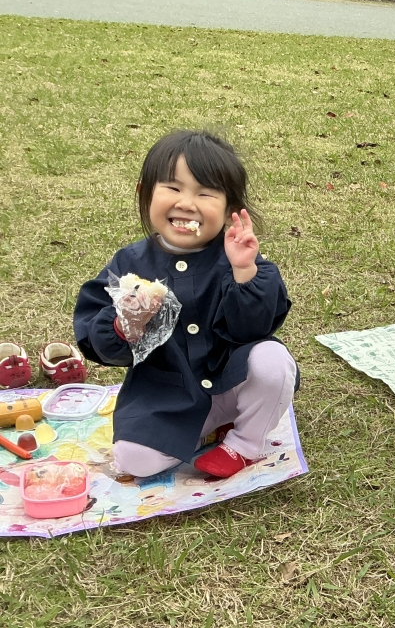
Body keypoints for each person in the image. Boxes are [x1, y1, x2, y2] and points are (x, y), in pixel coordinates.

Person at [74, 130, 298, 479]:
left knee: (273, 361)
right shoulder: (128, 265)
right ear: (145, 193)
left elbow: (254, 329)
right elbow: (98, 343)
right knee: (133, 460)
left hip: (229, 381)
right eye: (173, 188)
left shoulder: (237, 259)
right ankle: (204, 431)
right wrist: (124, 325)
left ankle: (245, 443)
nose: (187, 203)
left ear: (229, 210)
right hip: (167, 394)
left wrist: (244, 272)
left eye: (205, 193)